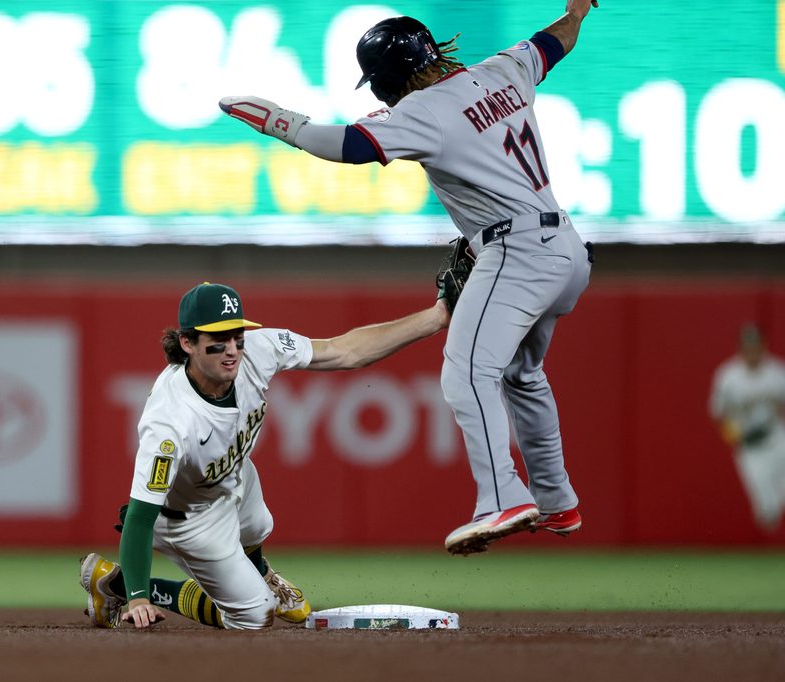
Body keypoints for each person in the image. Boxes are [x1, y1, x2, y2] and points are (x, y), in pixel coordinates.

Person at [219, 0, 598, 554]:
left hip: (515, 250)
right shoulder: (504, 69)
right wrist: (580, 7)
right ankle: (558, 501)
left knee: (465, 373)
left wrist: (281, 123)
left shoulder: (425, 110)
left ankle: (504, 498)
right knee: (522, 373)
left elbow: (349, 146)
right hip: (565, 246)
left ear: (387, 81)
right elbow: (553, 40)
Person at [80, 282, 450, 629]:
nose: (232, 349)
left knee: (256, 524)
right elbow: (140, 519)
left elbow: (346, 350)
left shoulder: (257, 349)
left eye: (236, 335)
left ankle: (260, 571)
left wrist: (436, 316)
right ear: (187, 343)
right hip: (186, 519)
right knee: (255, 616)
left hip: (230, 475)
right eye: (218, 338)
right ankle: (115, 585)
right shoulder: (169, 422)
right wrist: (139, 598)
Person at [709, 324, 785, 532]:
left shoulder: (777, 372)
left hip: (778, 437)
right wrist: (732, 434)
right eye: (748, 346)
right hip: (749, 444)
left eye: (756, 346)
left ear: (763, 346)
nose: (752, 351)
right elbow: (718, 413)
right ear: (740, 348)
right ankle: (770, 548)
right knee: (767, 509)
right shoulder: (728, 376)